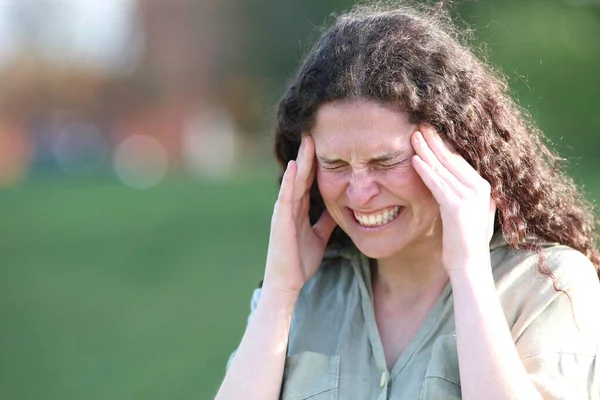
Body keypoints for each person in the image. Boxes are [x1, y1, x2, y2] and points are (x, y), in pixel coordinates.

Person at [215, 2, 600, 399]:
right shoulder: (300, 296)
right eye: (335, 164)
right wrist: (280, 289)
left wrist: (469, 272)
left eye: (386, 161)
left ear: (457, 152)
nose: (360, 192)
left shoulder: (547, 285)